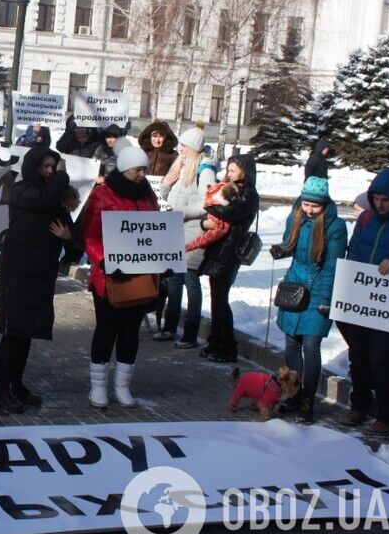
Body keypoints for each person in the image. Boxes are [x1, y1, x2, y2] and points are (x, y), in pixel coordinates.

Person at [0, 146, 74, 414]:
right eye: (45, 166)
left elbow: (73, 234)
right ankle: (2, 391)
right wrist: (63, 176)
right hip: (17, 272)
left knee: (26, 332)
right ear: (33, 166)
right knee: (13, 331)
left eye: (53, 167)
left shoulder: (54, 198)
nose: (50, 171)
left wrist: (67, 236)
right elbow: (43, 200)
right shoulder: (22, 190)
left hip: (41, 273)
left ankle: (17, 384)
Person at [82, 146, 160, 408]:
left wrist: (164, 259)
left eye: (144, 170)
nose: (142, 174)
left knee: (130, 332)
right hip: (110, 278)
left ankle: (123, 387)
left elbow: (155, 231)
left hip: (140, 276)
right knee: (107, 330)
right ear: (125, 168)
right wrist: (104, 261)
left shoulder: (148, 195)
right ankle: (98, 388)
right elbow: (90, 235)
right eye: (138, 169)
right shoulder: (103, 194)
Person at [268, 177, 347, 425]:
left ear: (324, 205)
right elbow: (291, 245)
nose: (309, 210)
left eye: (315, 206)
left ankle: (307, 402)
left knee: (311, 346)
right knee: (291, 344)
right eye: (306, 204)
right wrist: (282, 249)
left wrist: (325, 300)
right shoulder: (296, 216)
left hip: (318, 289)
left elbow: (332, 267)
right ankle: (294, 394)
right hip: (294, 287)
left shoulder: (335, 227)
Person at [341, 168, 389, 436]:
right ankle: (359, 405)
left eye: (385, 200)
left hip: (387, 304)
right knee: (357, 355)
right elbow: (355, 248)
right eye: (376, 198)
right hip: (360, 298)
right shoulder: (366, 218)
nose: (380, 204)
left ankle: (387, 415)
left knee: (381, 358)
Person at [157, 127, 216, 346]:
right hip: (174, 229)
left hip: (193, 231)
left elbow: (206, 202)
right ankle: (169, 328)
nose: (179, 149)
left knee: (190, 281)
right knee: (173, 280)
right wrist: (165, 184)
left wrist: (181, 212)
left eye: (184, 146)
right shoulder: (180, 165)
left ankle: (190, 334)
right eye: (179, 145)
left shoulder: (205, 170)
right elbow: (166, 195)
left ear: (193, 148)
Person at [199, 154, 259, 364]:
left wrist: (209, 205)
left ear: (245, 171)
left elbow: (231, 212)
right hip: (219, 247)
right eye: (229, 169)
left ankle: (227, 347)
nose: (229, 173)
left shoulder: (249, 192)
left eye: (233, 170)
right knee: (216, 298)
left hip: (230, 250)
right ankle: (215, 342)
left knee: (221, 299)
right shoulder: (231, 187)